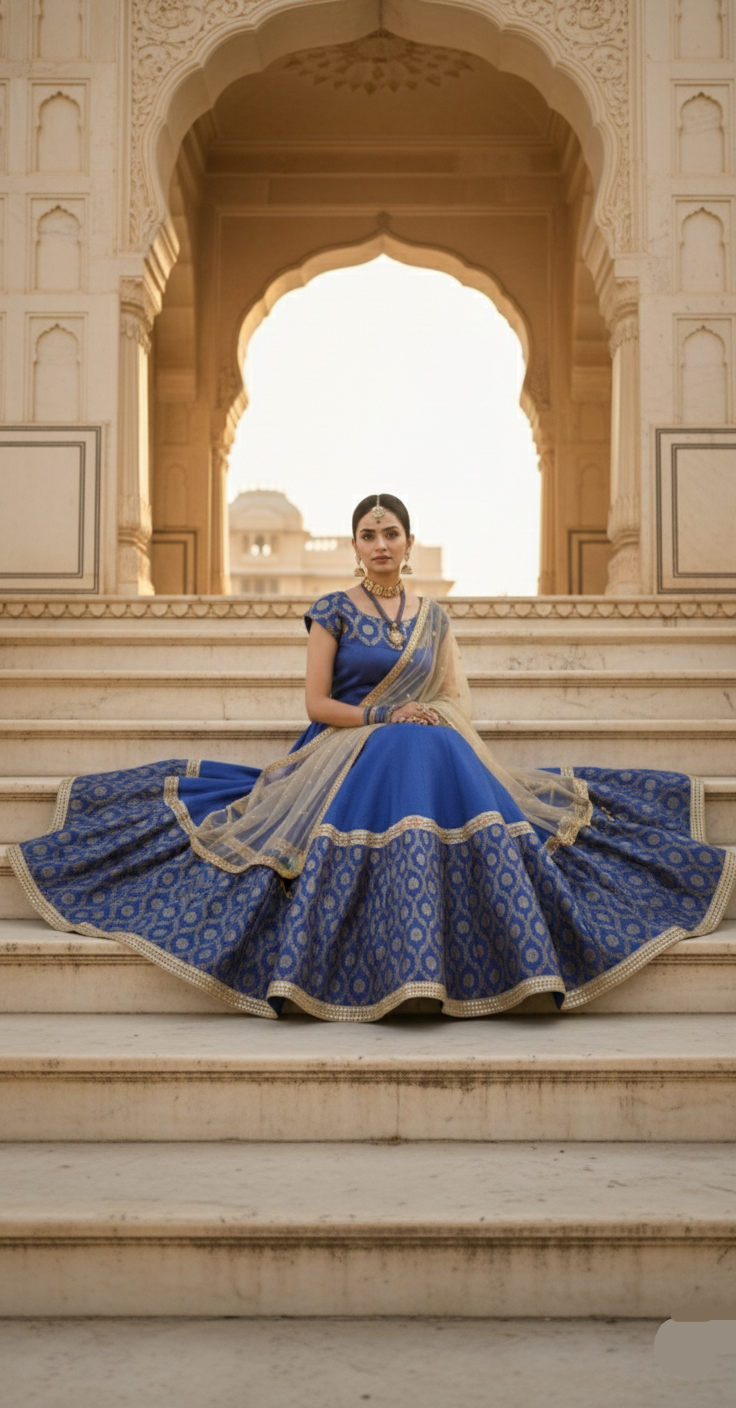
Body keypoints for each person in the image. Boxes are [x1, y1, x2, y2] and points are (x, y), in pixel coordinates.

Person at [9, 493, 735, 1020]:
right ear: (354, 546)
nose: (380, 544)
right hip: (340, 747)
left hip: (422, 742)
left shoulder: (435, 619)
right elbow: (316, 705)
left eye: (390, 533)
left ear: (409, 542)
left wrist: (421, 718)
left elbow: (453, 698)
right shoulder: (331, 611)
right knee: (402, 738)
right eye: (368, 534)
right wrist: (385, 712)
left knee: (432, 739)